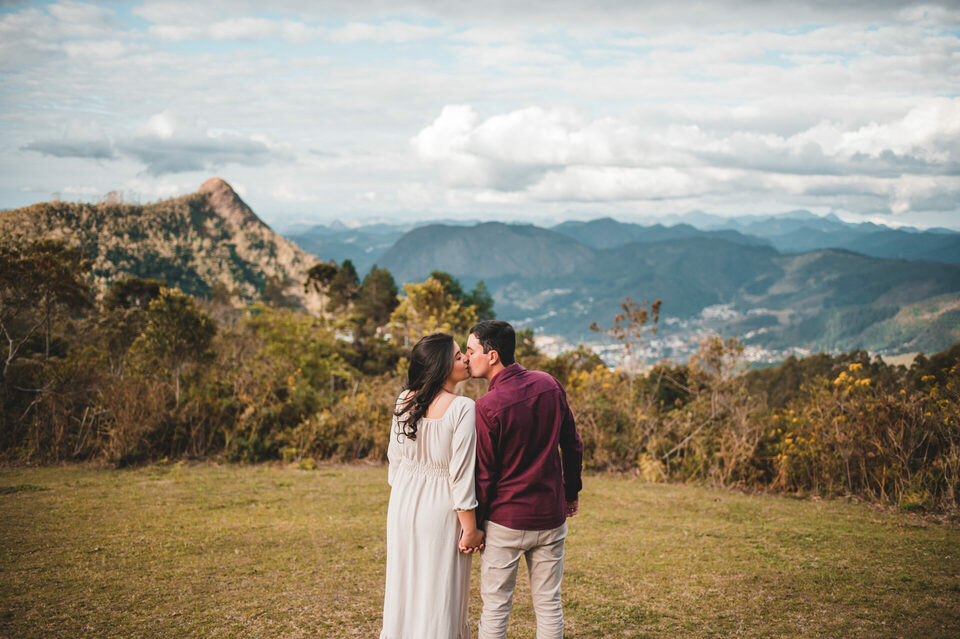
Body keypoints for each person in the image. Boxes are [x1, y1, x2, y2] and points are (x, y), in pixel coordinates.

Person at [465, 320, 583, 639]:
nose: (466, 357)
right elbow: (571, 444)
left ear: (492, 356)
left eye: (471, 350)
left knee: (495, 608)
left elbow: (484, 476)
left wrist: (475, 525)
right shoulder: (549, 385)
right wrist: (570, 493)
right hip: (550, 516)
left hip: (506, 521)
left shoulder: (487, 407)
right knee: (548, 605)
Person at [381, 333, 485, 639]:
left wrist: (407, 492)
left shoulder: (404, 400)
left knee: (405, 585)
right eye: (457, 356)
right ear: (441, 367)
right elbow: (461, 475)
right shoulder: (463, 407)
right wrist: (471, 529)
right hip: (442, 509)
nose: (466, 358)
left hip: (402, 503)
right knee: (440, 592)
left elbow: (394, 462)